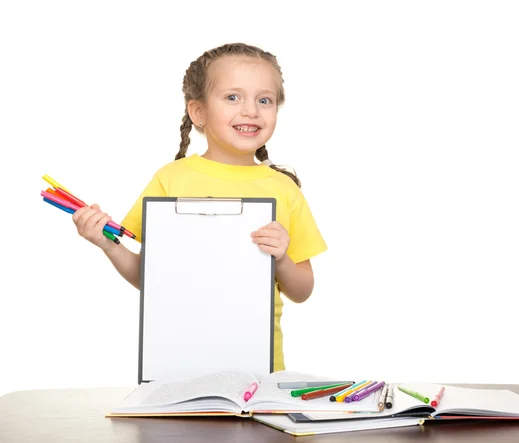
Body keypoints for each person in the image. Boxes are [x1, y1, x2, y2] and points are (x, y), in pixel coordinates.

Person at [71, 42, 327, 372]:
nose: (251, 110)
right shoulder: (170, 179)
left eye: (264, 100)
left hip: (259, 375)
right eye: (233, 97)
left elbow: (302, 290)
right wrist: (108, 244)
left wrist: (282, 258)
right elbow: (147, 277)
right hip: (173, 366)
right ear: (198, 112)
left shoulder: (284, 189)